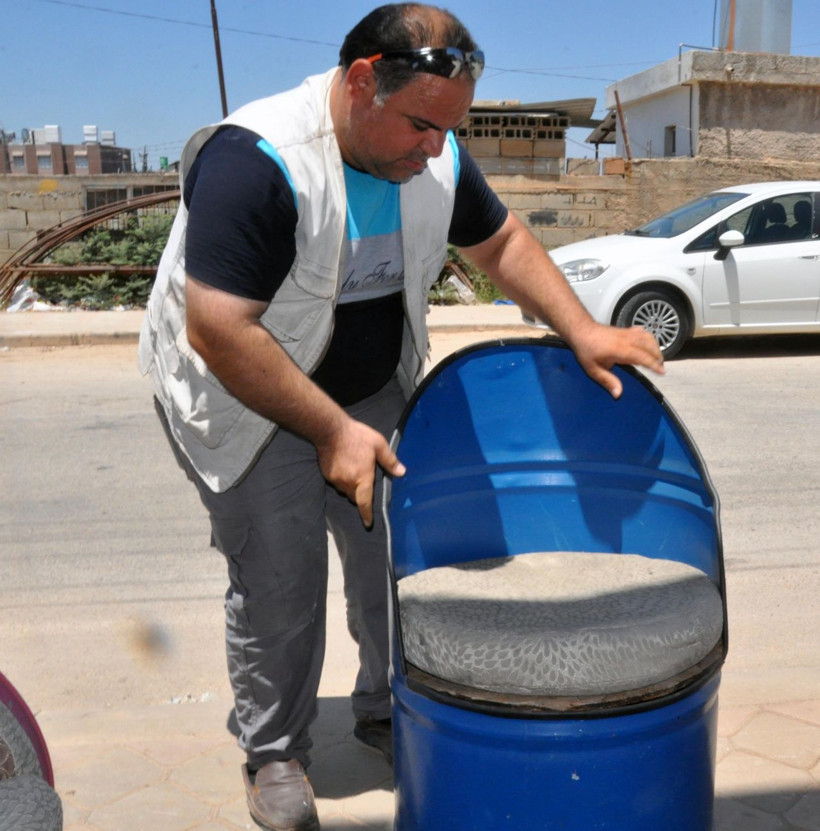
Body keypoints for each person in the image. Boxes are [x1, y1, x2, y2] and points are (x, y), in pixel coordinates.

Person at [138, 4, 664, 829]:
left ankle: (390, 705)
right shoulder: (260, 159)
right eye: (422, 125)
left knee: (396, 554)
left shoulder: (435, 154)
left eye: (446, 131)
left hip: (370, 387)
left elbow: (502, 246)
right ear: (360, 83)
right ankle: (275, 749)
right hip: (246, 391)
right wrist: (332, 430)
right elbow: (218, 329)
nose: (435, 150)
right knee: (282, 579)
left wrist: (582, 328)